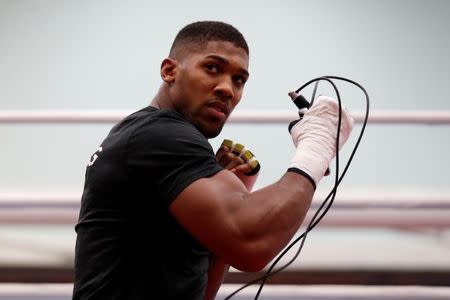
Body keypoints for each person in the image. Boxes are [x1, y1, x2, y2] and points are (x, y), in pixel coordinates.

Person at [72, 20, 354, 300]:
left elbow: (203, 289)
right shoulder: (160, 135)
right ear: (169, 71)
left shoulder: (145, 135)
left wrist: (231, 189)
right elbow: (251, 245)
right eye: (212, 68)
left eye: (238, 80)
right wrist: (315, 147)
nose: (227, 89)